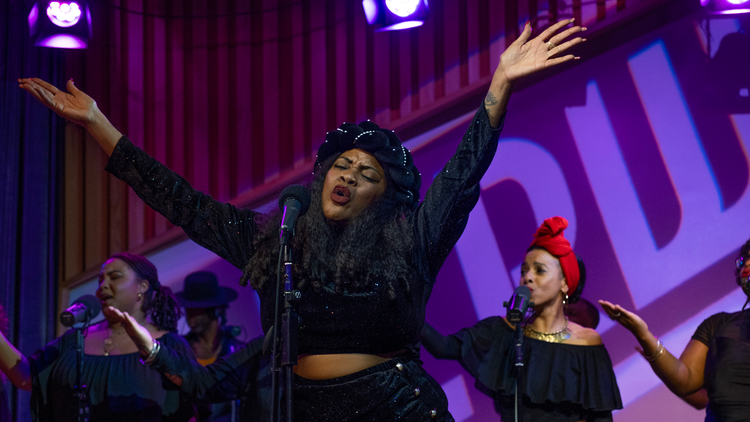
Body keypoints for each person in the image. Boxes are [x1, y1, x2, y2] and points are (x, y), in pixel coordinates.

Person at [19, 19, 587, 421]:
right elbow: (183, 202)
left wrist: (498, 88)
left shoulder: (411, 239)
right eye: (341, 165)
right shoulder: (277, 240)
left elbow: (461, 177)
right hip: (302, 409)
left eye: (367, 174)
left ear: (386, 197)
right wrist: (98, 124)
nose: (349, 177)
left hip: (396, 406)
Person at [421, 216, 622, 421]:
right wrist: (406, 312)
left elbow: (601, 417)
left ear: (564, 283)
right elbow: (444, 347)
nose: (527, 277)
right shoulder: (504, 331)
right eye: (524, 270)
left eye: (539, 270)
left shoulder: (588, 344)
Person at [0, 253, 196, 421]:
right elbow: (26, 377)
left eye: (115, 277)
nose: (103, 285)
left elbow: (190, 412)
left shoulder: (170, 346)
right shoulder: (75, 339)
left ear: (142, 287)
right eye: (101, 280)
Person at [599, 238, 750, 422]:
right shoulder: (718, 324)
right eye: (743, 260)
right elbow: (684, 379)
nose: (747, 264)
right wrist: (643, 334)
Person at [176, 271, 245, 422]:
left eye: (196, 309)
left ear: (215, 310)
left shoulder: (236, 351)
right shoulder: (180, 349)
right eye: (187, 309)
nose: (189, 316)